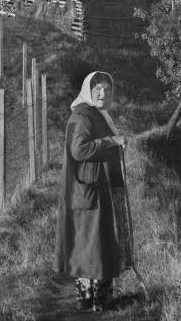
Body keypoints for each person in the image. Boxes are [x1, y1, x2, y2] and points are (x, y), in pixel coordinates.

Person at [53, 71, 131, 312]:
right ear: (88, 90)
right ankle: (96, 299)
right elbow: (79, 150)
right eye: (98, 89)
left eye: (107, 89)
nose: (103, 93)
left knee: (96, 242)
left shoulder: (96, 113)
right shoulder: (82, 116)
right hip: (89, 189)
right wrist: (112, 141)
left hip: (97, 187)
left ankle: (93, 298)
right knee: (92, 244)